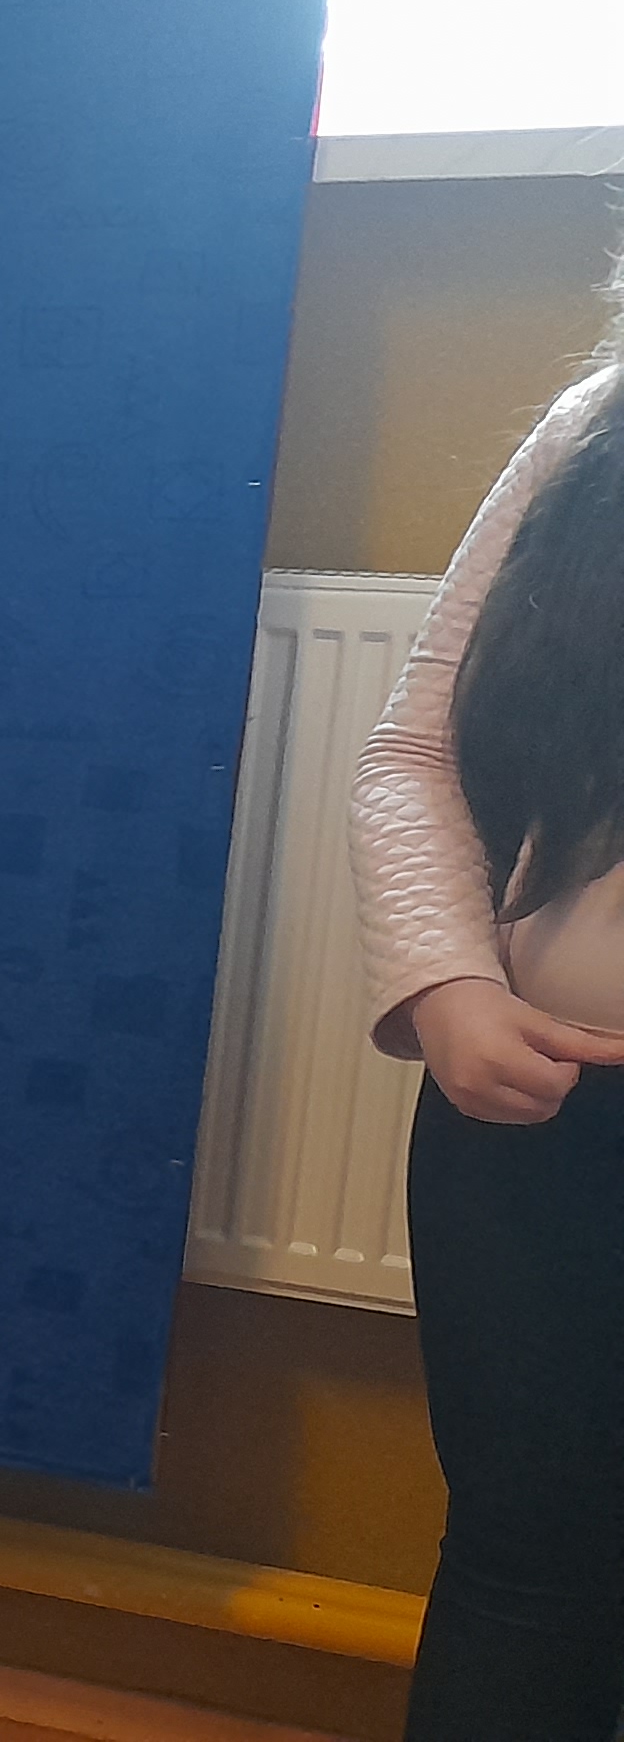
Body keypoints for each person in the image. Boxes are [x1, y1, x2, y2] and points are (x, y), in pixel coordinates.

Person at [350, 277, 624, 1736]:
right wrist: (448, 983)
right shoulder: (594, 431)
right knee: (525, 1566)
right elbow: (414, 757)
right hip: (536, 1131)